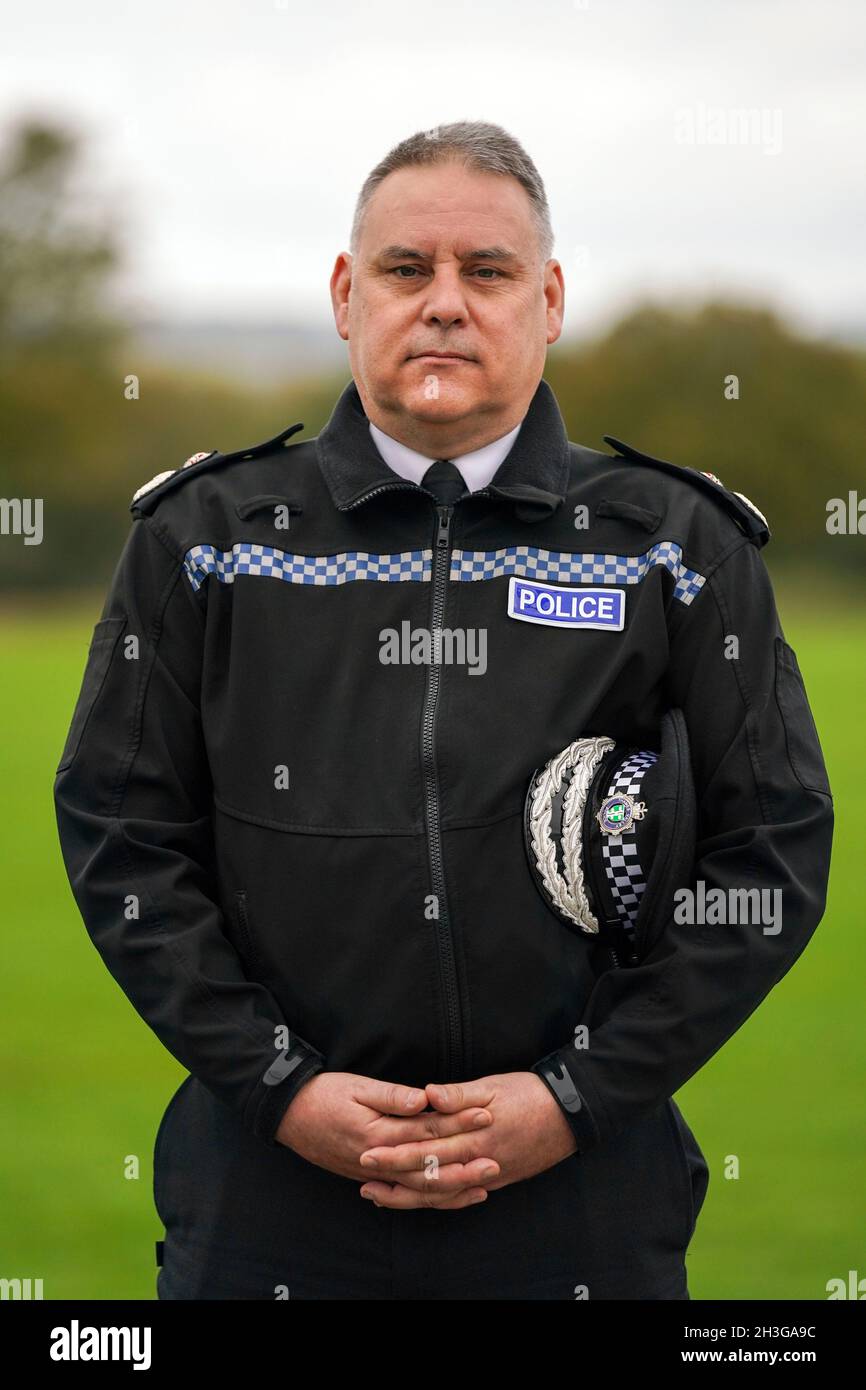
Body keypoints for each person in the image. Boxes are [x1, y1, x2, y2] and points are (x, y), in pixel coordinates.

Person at [53, 120, 834, 1300]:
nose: (444, 304)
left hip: (580, 1203)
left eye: (487, 271)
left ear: (549, 298)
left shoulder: (675, 549)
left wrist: (578, 1095)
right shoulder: (202, 541)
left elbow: (771, 854)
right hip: (268, 1201)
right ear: (343, 294)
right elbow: (124, 841)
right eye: (404, 269)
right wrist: (277, 1085)